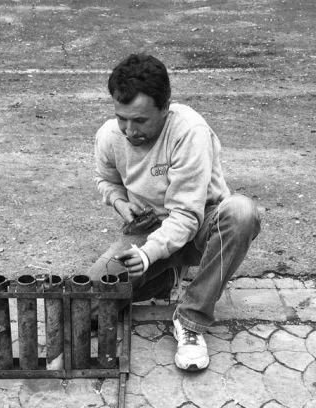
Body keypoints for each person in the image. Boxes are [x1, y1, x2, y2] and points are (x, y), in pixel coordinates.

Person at [88, 53, 261, 372]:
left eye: (140, 120)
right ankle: (166, 276)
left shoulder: (189, 131)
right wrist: (119, 203)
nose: (129, 130)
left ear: (165, 109)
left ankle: (191, 320)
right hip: (150, 230)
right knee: (89, 307)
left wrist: (147, 255)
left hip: (201, 226)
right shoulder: (109, 136)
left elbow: (186, 216)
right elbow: (105, 179)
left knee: (242, 213)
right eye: (121, 117)